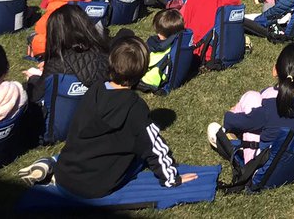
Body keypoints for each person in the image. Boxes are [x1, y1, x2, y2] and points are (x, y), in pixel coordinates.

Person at [19, 37, 196, 196]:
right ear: (142, 71)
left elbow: (76, 132)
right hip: (95, 187)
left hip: (66, 173)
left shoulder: (94, 90)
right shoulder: (135, 108)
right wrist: (172, 178)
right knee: (139, 158)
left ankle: (52, 164)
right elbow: (154, 146)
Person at [207, 42, 294, 167]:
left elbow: (233, 121)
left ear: (275, 70)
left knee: (250, 97)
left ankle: (236, 145)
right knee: (264, 99)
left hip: (265, 165)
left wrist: (230, 114)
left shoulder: (270, 110)